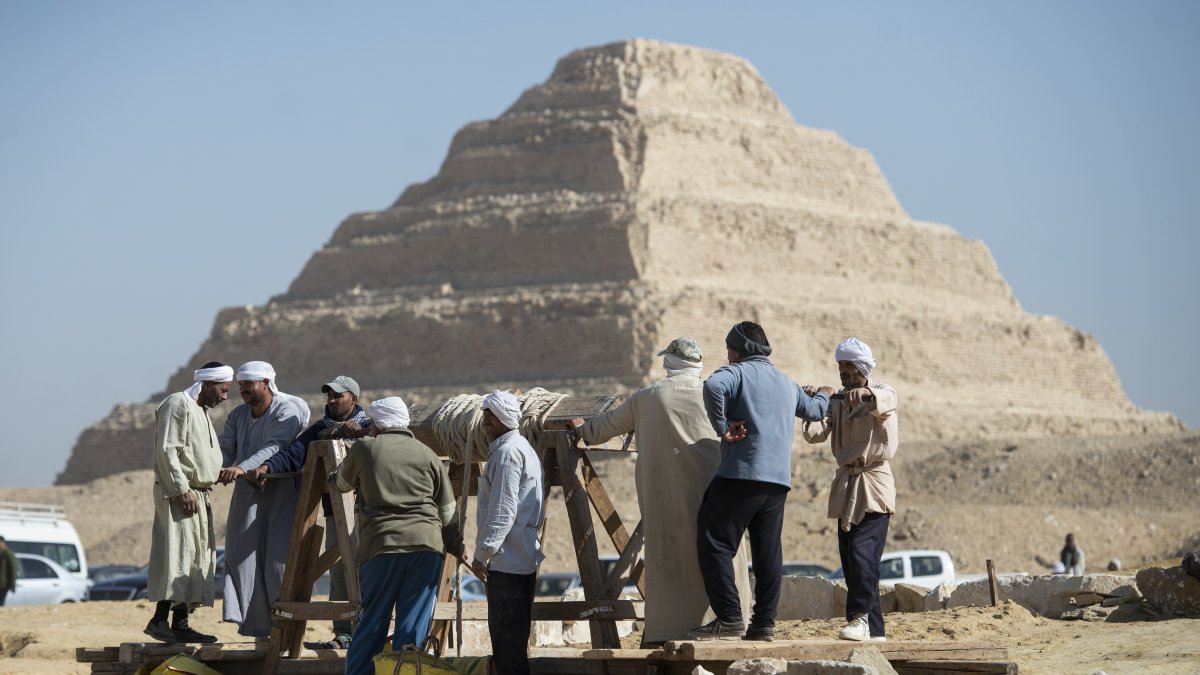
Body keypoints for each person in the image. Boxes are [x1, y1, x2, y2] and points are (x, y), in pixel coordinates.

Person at [569, 337, 753, 644]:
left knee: (671, 561)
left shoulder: (647, 397)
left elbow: (599, 430)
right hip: (717, 496)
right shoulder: (718, 393)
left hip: (664, 498)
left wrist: (580, 428)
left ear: (669, 363)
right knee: (720, 556)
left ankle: (668, 630)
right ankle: (732, 623)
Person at [690, 321, 831, 640]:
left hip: (740, 475)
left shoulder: (737, 373)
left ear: (740, 352)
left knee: (714, 543)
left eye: (729, 352)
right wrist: (824, 394)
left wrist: (722, 426)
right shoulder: (786, 382)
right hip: (777, 483)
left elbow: (712, 388)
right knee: (768, 554)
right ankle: (763, 624)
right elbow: (813, 410)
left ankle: (729, 618)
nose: (727, 358)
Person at [329, 397, 465, 675]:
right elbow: (448, 511)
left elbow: (340, 483)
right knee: (412, 629)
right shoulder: (427, 454)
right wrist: (455, 545)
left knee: (373, 624)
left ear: (377, 423)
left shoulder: (366, 449)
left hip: (383, 548)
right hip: (427, 549)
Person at [246, 375, 371, 650]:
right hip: (336, 512)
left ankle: (372, 631)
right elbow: (294, 453)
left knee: (371, 570)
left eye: (338, 395)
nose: (332, 400)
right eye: (330, 395)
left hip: (371, 512)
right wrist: (267, 468)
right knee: (339, 573)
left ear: (354, 398)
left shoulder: (371, 426)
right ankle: (345, 633)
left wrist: (361, 435)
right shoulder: (320, 430)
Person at [802, 337, 897, 642]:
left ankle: (860, 619)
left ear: (861, 368)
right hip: (847, 489)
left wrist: (866, 394)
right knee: (854, 560)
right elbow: (816, 434)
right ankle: (875, 629)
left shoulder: (881, 393)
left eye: (848, 366)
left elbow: (883, 401)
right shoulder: (839, 401)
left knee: (861, 555)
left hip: (873, 487)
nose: (843, 370)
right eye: (840, 365)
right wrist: (814, 405)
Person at [143, 362, 234, 644]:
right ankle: (159, 620)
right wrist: (182, 489)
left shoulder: (201, 411)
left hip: (198, 494)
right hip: (180, 494)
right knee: (177, 556)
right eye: (223, 389)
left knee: (195, 559)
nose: (225, 396)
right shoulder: (177, 404)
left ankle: (180, 623)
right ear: (207, 384)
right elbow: (168, 450)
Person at [218, 360, 305, 638]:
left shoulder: (286, 411)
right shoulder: (237, 415)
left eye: (248, 384)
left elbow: (275, 446)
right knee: (239, 554)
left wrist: (242, 468)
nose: (242, 389)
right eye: (240, 384)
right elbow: (224, 449)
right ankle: (256, 626)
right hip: (247, 495)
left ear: (265, 383)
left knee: (276, 562)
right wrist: (209, 470)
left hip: (280, 496)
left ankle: (286, 628)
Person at [471, 390, 545, 675]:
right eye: (485, 413)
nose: (486, 419)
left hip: (507, 561)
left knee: (508, 646)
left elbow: (502, 511)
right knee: (512, 642)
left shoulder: (507, 453)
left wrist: (482, 555)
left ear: (505, 417)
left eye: (491, 414)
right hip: (519, 559)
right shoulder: (520, 447)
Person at [0, 536, 16, 606]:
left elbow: (13, 570)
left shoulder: (8, 554)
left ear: (2, 543)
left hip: (3, 584)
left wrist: (12, 585)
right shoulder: (2, 554)